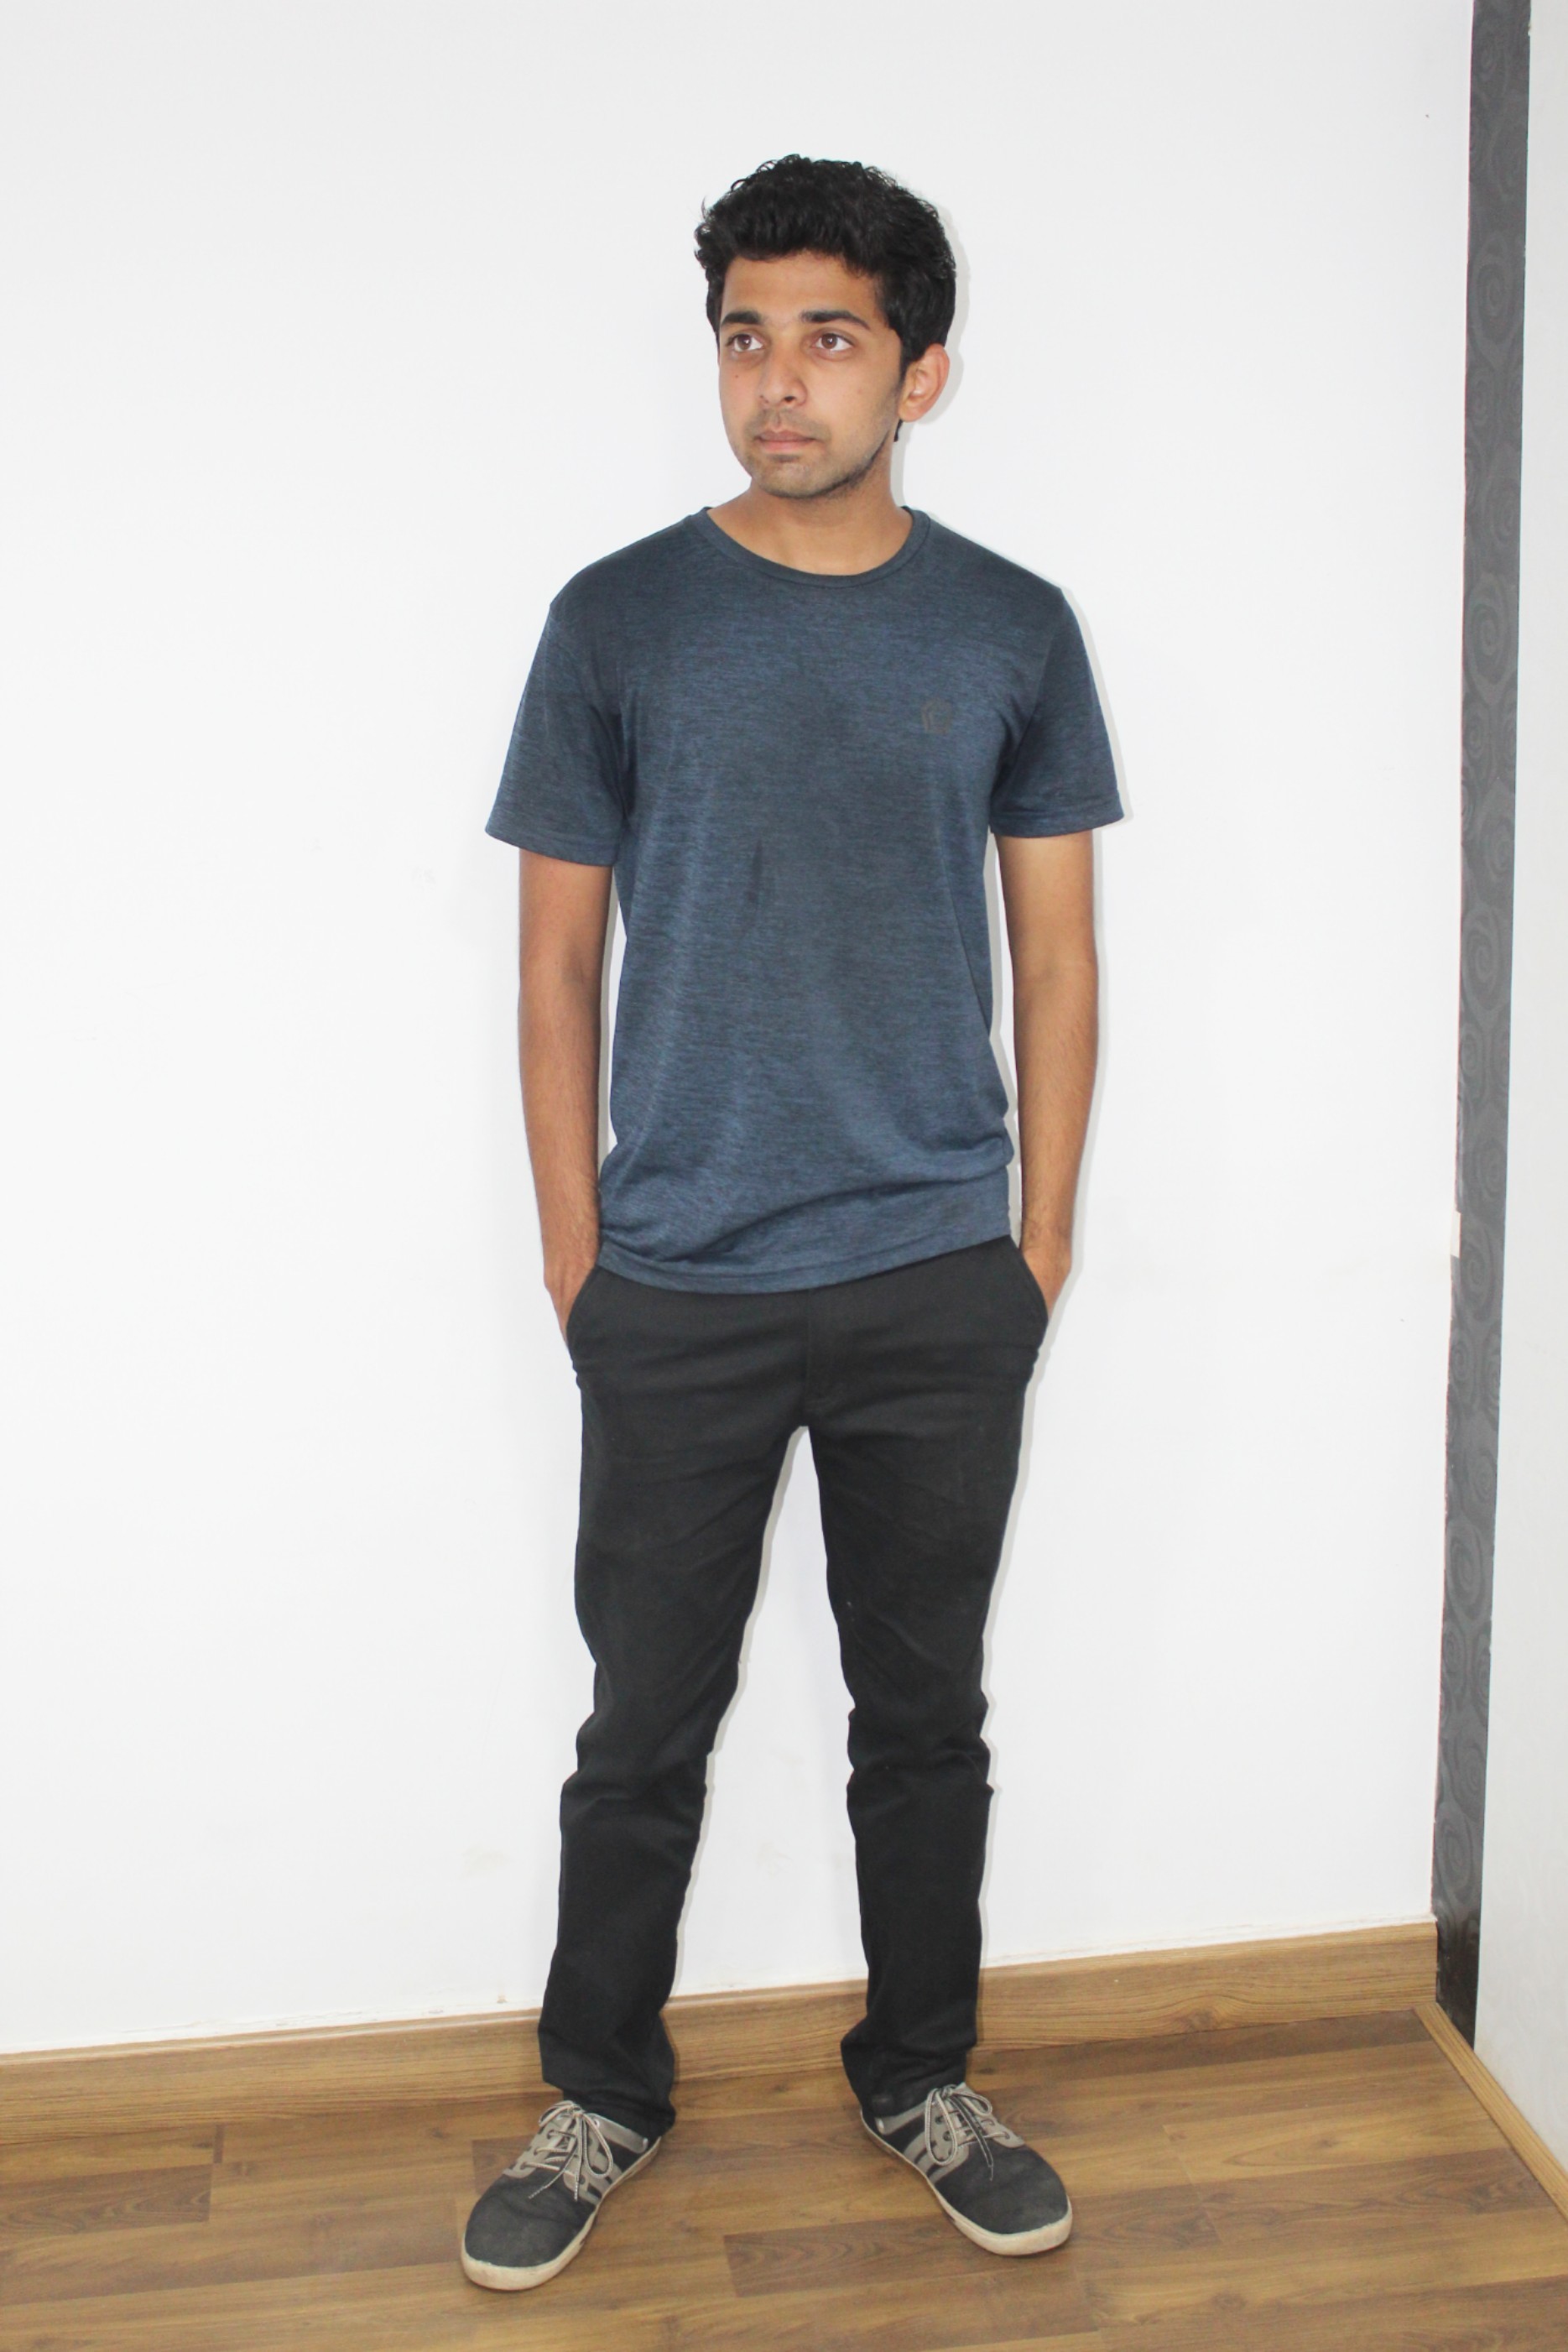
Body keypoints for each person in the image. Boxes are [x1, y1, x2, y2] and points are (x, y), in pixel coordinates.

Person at [461, 153, 1123, 2295]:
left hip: (937, 1277)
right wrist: (580, 1266)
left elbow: (1057, 957)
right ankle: (601, 2091)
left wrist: (1032, 1249)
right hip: (676, 1287)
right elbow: (554, 969)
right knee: (638, 1731)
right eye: (745, 336)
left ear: (918, 372)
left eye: (827, 338)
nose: (777, 381)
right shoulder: (616, 620)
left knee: (923, 1725)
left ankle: (919, 2072)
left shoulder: (1010, 627)